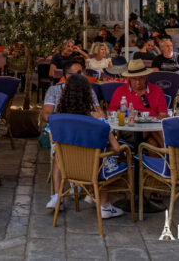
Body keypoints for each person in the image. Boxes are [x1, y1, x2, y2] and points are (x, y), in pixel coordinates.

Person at [46, 73, 124, 218]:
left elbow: (53, 141)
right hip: (93, 169)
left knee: (58, 153)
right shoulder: (97, 120)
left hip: (69, 168)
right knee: (112, 158)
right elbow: (116, 147)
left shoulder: (58, 119)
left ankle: (59, 195)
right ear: (88, 94)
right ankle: (104, 205)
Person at [41, 59, 99, 125]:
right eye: (79, 73)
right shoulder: (54, 90)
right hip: (61, 126)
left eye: (83, 72)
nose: (83, 75)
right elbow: (46, 116)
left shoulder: (88, 90)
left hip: (83, 127)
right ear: (68, 76)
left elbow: (100, 115)